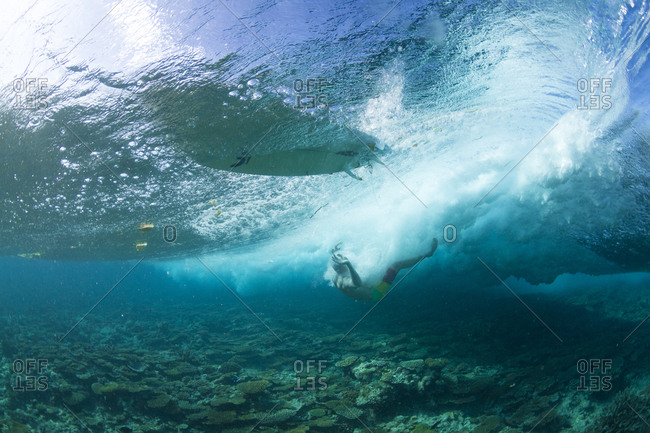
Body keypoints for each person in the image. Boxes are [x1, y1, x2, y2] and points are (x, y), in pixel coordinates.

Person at [330, 238, 438, 301]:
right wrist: (349, 264)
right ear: (342, 267)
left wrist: (335, 251)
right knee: (396, 265)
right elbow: (357, 283)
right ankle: (427, 254)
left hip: (366, 290)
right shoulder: (343, 281)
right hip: (376, 293)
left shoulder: (336, 271)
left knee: (383, 262)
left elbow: (335, 261)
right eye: (344, 264)